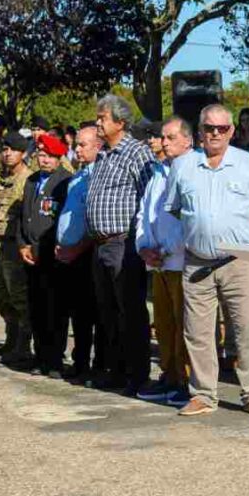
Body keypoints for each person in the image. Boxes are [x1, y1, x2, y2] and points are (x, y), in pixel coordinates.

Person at [164, 103, 249, 416]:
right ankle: (203, 394)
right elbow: (174, 207)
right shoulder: (182, 166)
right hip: (196, 261)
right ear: (199, 131)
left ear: (232, 131)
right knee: (197, 332)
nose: (215, 133)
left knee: (247, 330)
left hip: (239, 260)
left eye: (222, 128)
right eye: (209, 128)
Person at [85, 94, 155, 396]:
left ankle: (137, 374)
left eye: (103, 118)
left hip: (122, 243)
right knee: (107, 312)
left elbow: (148, 197)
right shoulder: (102, 155)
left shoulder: (137, 153)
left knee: (130, 311)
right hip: (99, 245)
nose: (98, 122)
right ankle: (116, 370)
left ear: (121, 122)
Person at [134, 116, 193, 406]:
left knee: (186, 326)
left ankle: (187, 380)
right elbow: (144, 215)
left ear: (188, 141)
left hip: (182, 262)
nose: (164, 142)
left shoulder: (194, 169)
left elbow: (191, 218)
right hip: (158, 263)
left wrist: (168, 249)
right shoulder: (158, 172)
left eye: (171, 137)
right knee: (165, 325)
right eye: (163, 137)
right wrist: (144, 247)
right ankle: (169, 376)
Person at [17, 134, 73, 376]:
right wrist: (22, 245)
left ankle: (54, 358)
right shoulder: (31, 181)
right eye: (41, 155)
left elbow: (60, 221)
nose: (44, 160)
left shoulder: (64, 181)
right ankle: (40, 356)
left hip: (52, 255)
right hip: (31, 256)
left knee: (55, 309)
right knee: (37, 308)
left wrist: (40, 248)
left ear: (59, 157)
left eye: (49, 156)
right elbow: (23, 217)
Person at [54, 125, 103, 381]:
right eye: (77, 145)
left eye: (83, 144)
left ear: (99, 146)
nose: (78, 149)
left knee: (92, 313)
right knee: (78, 314)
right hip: (68, 255)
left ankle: (95, 365)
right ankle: (80, 360)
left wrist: (77, 247)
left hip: (86, 252)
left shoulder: (99, 177)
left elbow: (94, 221)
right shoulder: (78, 176)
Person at [0, 132, 34, 366]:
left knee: (19, 297)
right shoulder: (3, 178)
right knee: (2, 297)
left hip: (14, 246)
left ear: (23, 153)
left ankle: (23, 346)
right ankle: (11, 339)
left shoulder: (27, 179)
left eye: (12, 150)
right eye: (4, 150)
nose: (7, 154)